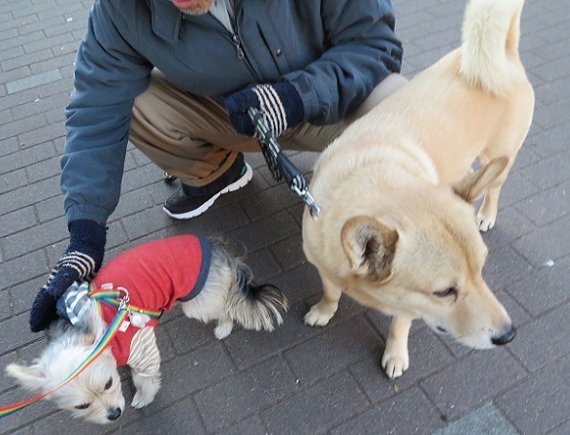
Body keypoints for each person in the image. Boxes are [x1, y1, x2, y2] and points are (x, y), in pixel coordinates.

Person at [29, 0, 405, 332]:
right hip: (239, 115)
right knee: (135, 101)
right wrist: (85, 234)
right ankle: (218, 172)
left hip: (330, 105)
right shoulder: (121, 9)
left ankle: (414, 237)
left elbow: (374, 45)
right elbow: (96, 107)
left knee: (399, 103)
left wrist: (294, 97)